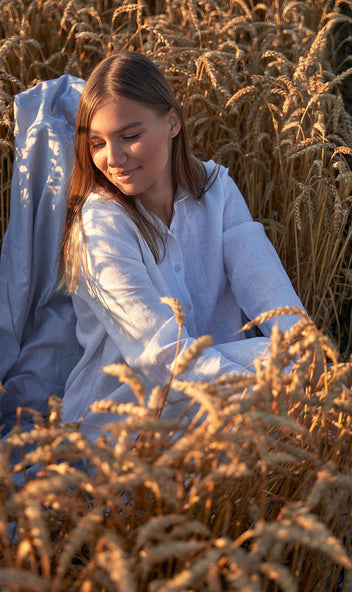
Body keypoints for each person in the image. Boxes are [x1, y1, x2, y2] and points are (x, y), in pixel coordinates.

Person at [58, 51, 305, 440]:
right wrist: (256, 395)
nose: (113, 158)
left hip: (223, 385)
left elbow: (268, 289)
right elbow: (159, 355)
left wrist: (308, 365)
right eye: (97, 143)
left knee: (297, 366)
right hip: (133, 413)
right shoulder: (100, 225)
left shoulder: (216, 188)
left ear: (172, 122)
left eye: (130, 136)